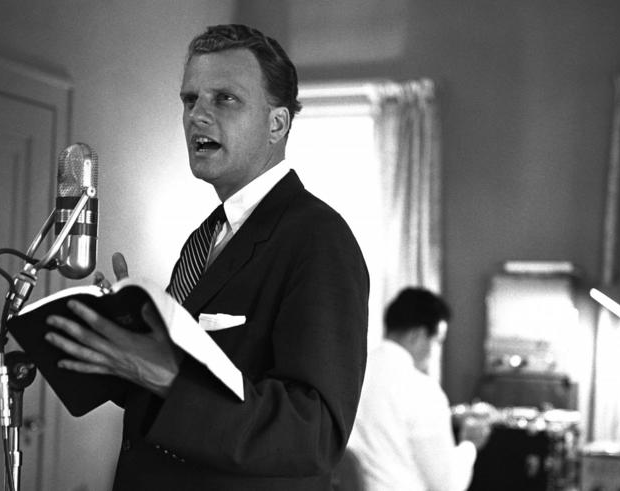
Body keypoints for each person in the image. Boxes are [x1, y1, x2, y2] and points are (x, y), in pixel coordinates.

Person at [43, 24, 369, 490]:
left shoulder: (319, 239)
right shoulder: (206, 238)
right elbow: (188, 385)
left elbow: (312, 434)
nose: (198, 115)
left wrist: (164, 377)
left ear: (277, 123)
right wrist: (123, 341)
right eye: (190, 99)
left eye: (225, 99)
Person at [347, 288, 490, 491]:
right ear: (418, 335)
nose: (435, 352)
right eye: (437, 342)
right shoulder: (422, 390)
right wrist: (469, 445)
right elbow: (448, 486)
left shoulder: (352, 373)